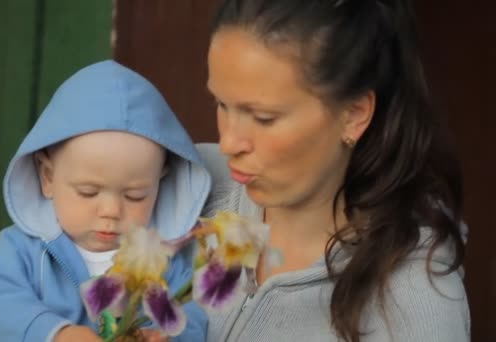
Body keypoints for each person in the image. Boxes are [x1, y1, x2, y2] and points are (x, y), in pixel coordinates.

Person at [197, 0, 469, 341]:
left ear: (354, 114)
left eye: (263, 118)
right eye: (222, 104)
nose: (228, 142)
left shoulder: (416, 304)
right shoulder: (180, 186)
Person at [0, 60, 211, 342]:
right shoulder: (21, 253)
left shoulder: (164, 262)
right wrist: (55, 334)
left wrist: (166, 337)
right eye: (88, 192)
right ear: (48, 177)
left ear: (161, 182)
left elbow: (194, 315)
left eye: (135, 195)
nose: (111, 211)